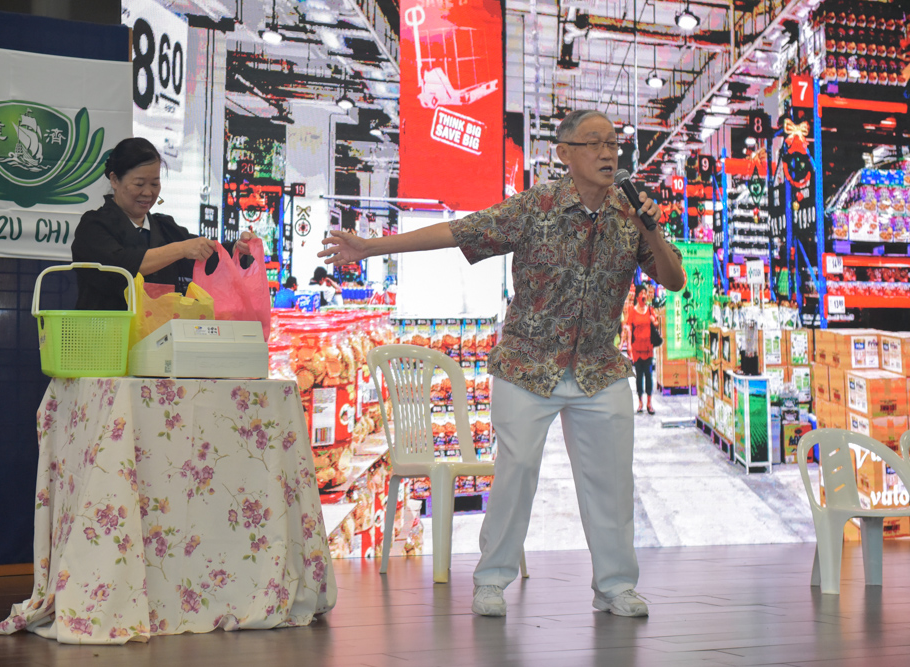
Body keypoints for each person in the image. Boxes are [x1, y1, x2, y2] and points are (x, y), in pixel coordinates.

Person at [318, 109, 684, 618]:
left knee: (613, 482)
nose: (607, 152)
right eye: (594, 142)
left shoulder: (630, 214)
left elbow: (674, 279)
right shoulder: (535, 207)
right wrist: (371, 247)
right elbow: (459, 231)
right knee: (516, 474)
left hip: (599, 368)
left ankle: (615, 586)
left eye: (612, 143)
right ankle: (491, 580)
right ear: (565, 153)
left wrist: (652, 230)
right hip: (527, 365)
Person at [71, 137, 255, 310]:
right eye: (139, 184)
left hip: (161, 332)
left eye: (154, 184)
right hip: (106, 331)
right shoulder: (93, 227)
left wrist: (238, 249)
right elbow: (123, 267)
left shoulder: (165, 228)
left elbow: (210, 258)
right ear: (114, 180)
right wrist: (181, 249)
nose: (148, 193)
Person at [626, 284, 660, 414]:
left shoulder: (650, 310)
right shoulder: (632, 311)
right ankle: (640, 403)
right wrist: (629, 346)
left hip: (648, 348)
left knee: (649, 376)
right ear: (637, 297)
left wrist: (653, 321)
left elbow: (656, 324)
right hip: (637, 349)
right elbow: (629, 329)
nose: (643, 296)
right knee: (639, 376)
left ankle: (649, 403)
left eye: (645, 293)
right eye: (641, 294)